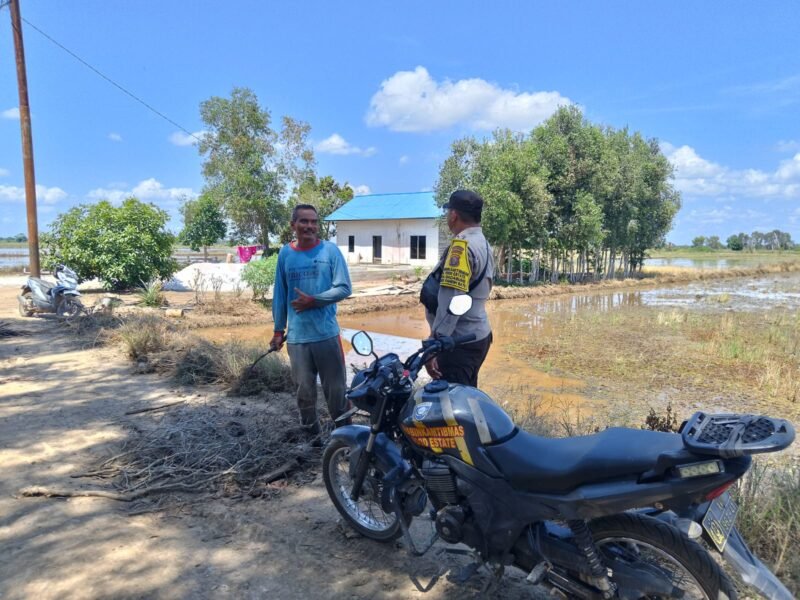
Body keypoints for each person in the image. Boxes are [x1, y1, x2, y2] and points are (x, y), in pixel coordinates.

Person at [270, 204, 353, 435]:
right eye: (304, 221)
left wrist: (314, 300)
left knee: (336, 393)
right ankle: (312, 441)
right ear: (293, 225)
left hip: (326, 335)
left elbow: (344, 288)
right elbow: (280, 294)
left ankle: (346, 441)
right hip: (297, 340)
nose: (309, 226)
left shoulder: (330, 252)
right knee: (304, 393)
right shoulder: (285, 254)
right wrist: (278, 330)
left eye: (314, 222)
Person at [422, 189, 494, 387]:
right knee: (467, 396)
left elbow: (452, 302)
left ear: (453, 215)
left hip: (457, 343)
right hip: (477, 336)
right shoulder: (484, 244)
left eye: (448, 213)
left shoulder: (461, 247)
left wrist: (434, 345)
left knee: (450, 407)